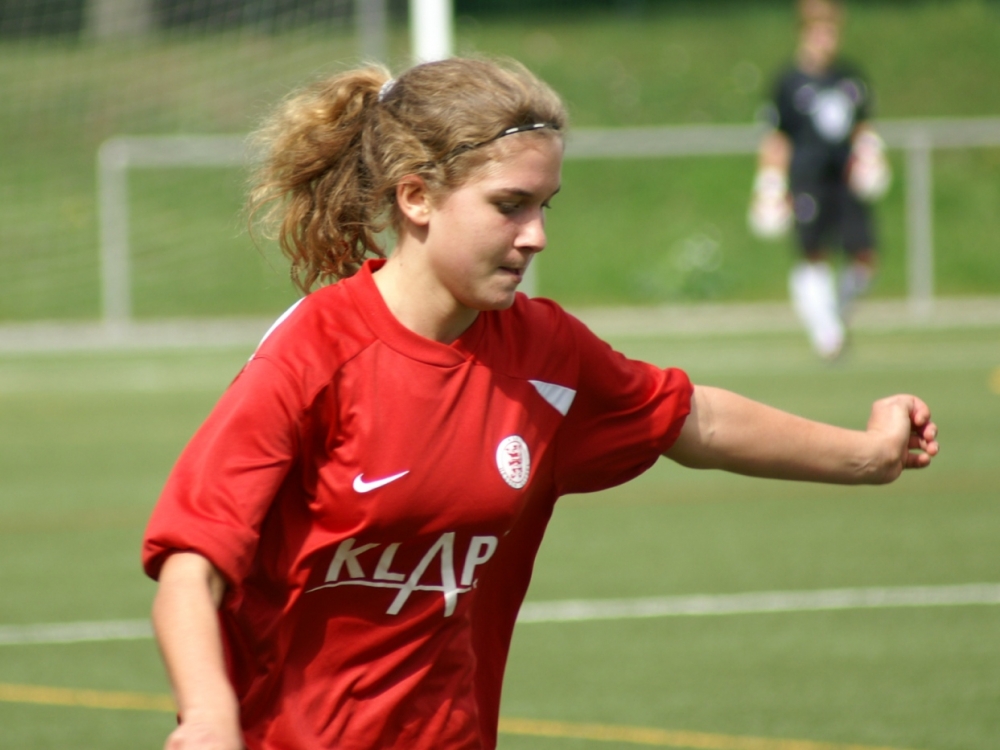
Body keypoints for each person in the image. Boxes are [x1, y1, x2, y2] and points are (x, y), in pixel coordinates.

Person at [142, 56, 937, 750]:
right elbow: (191, 563)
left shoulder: (543, 352)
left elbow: (692, 419)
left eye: (544, 206)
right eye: (509, 205)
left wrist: (868, 454)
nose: (536, 236)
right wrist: (208, 717)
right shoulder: (315, 353)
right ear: (416, 198)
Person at [748, 0, 892, 360]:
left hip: (845, 179)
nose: (827, 39)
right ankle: (827, 334)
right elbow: (776, 139)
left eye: (832, 32)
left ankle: (832, 318)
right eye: (820, 32)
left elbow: (862, 127)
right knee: (814, 253)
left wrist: (872, 156)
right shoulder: (789, 81)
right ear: (805, 33)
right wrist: (769, 185)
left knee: (865, 257)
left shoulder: (850, 77)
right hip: (808, 179)